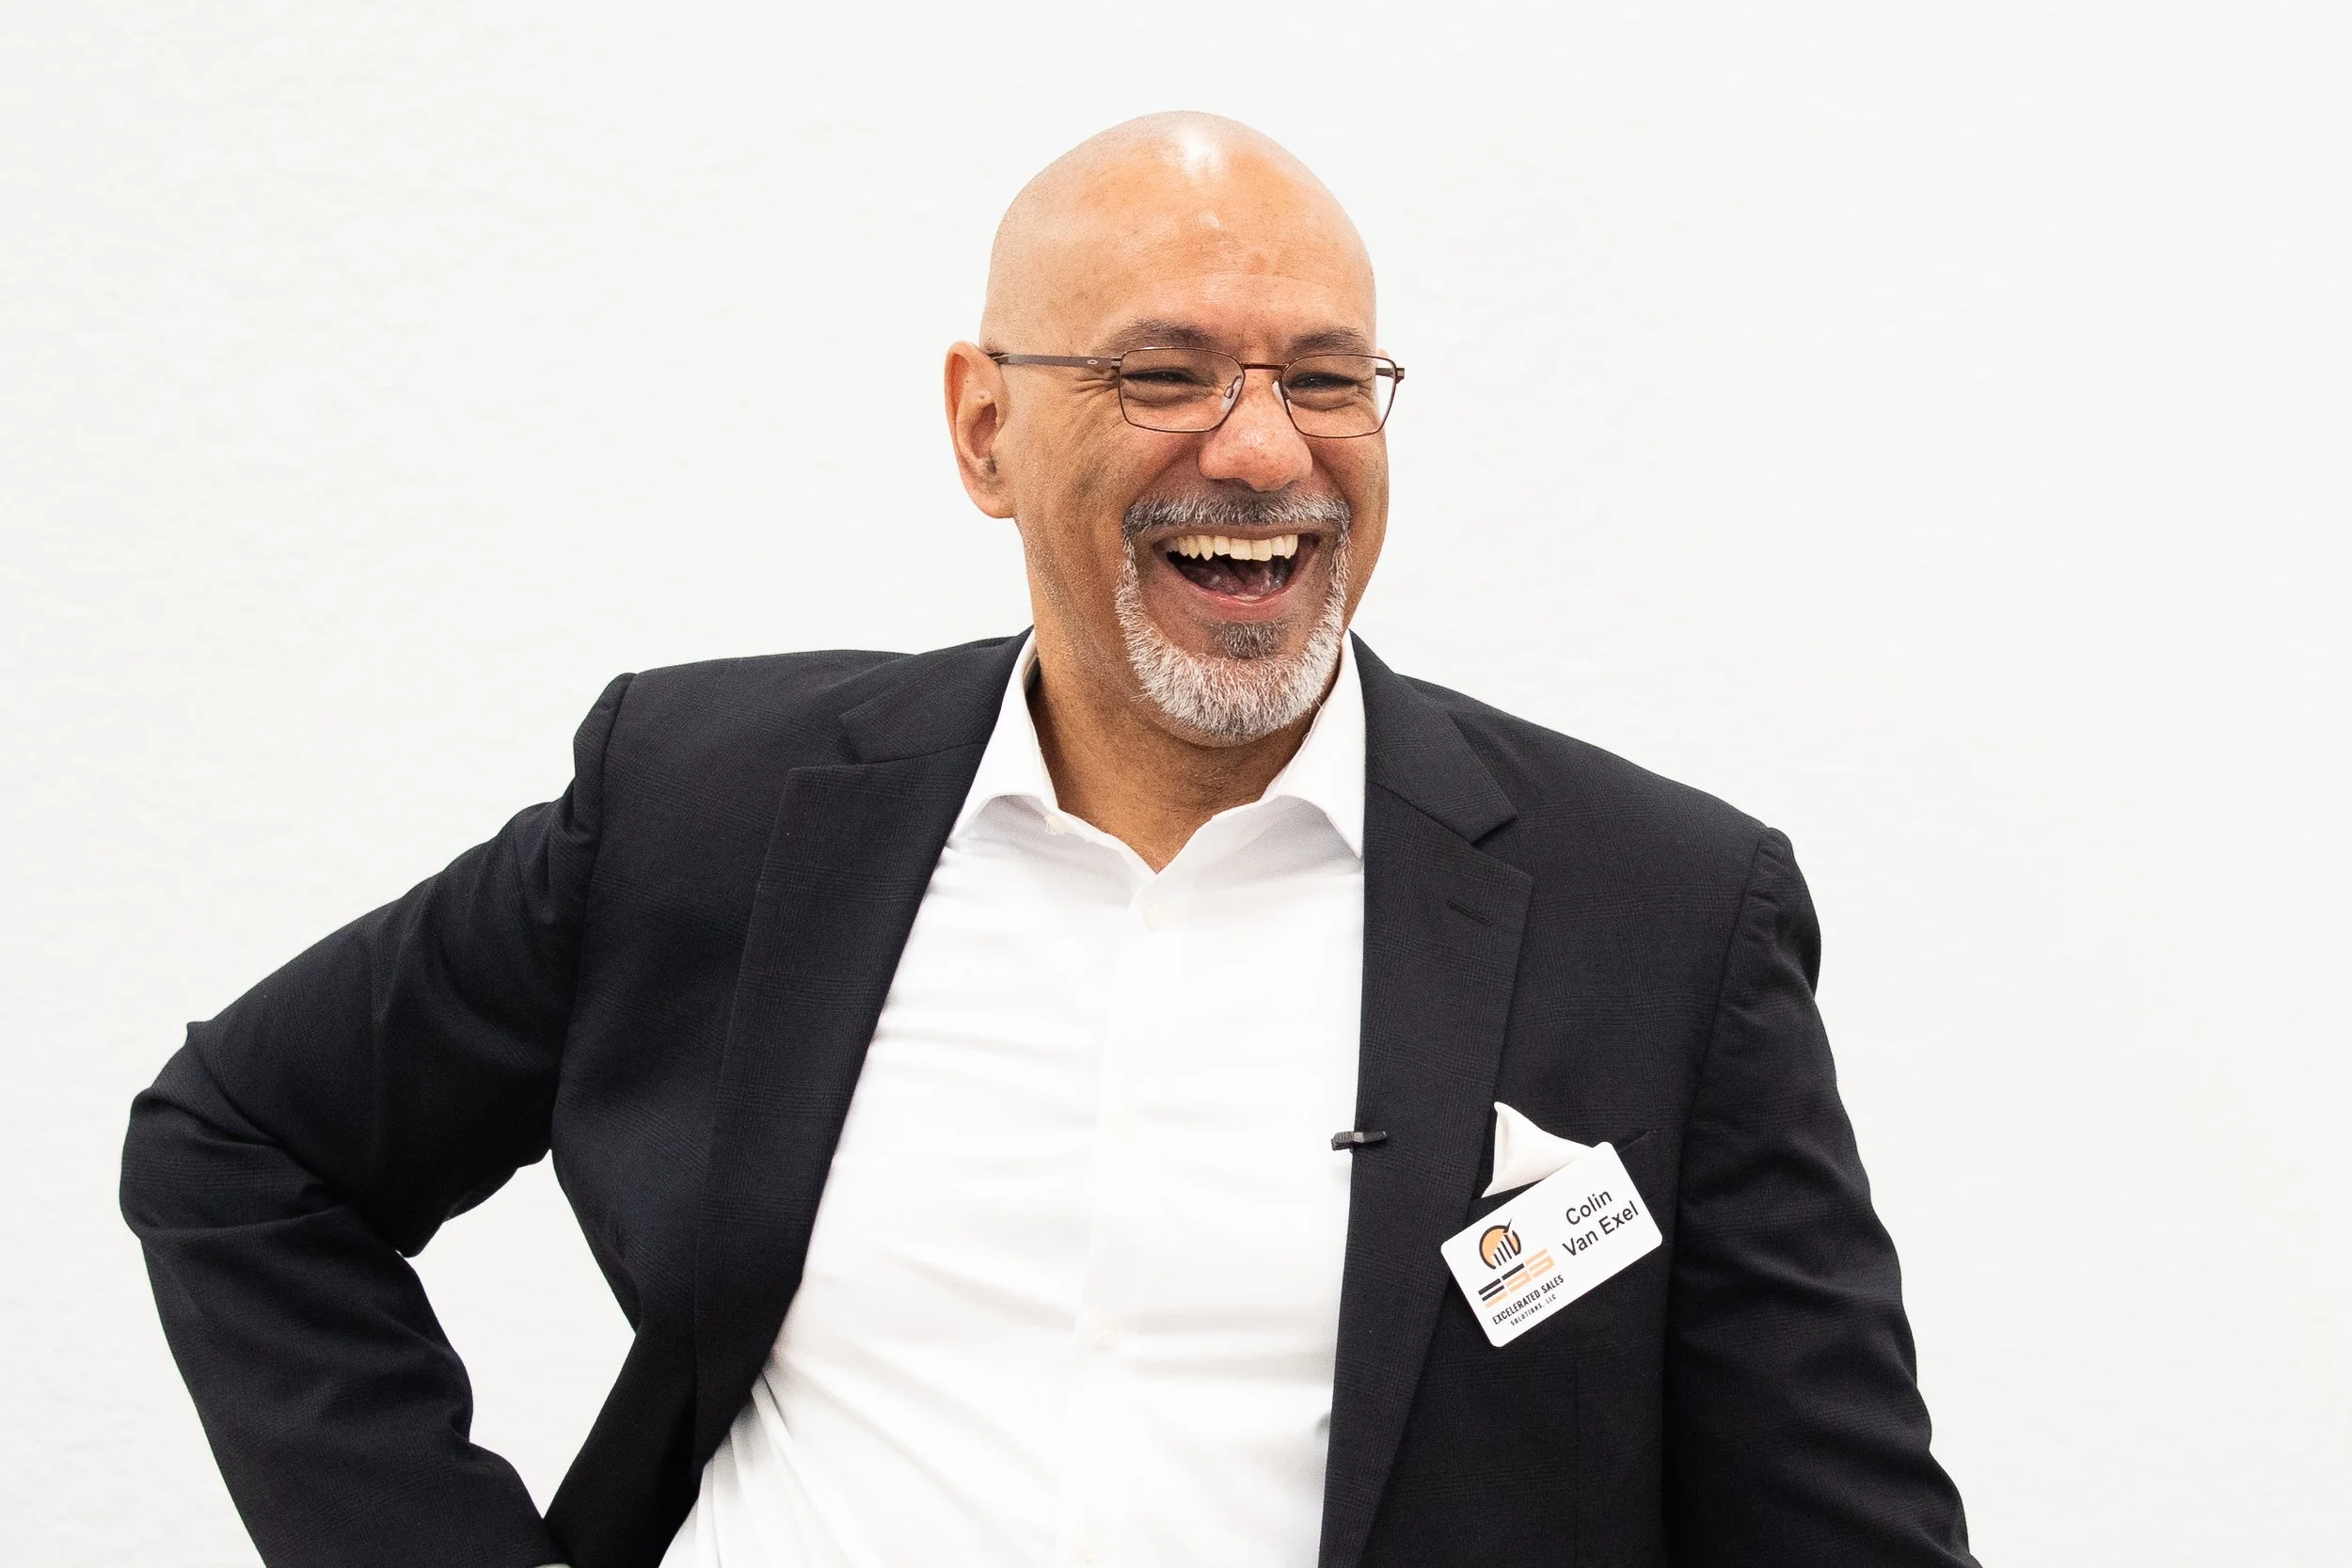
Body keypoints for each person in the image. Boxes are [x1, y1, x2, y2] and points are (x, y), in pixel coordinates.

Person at [121, 113, 1978, 1568]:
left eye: (1323, 376)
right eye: (1162, 369)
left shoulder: (1655, 916)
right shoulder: (712, 806)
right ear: (984, 427)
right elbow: (240, 1147)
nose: (1261, 448)